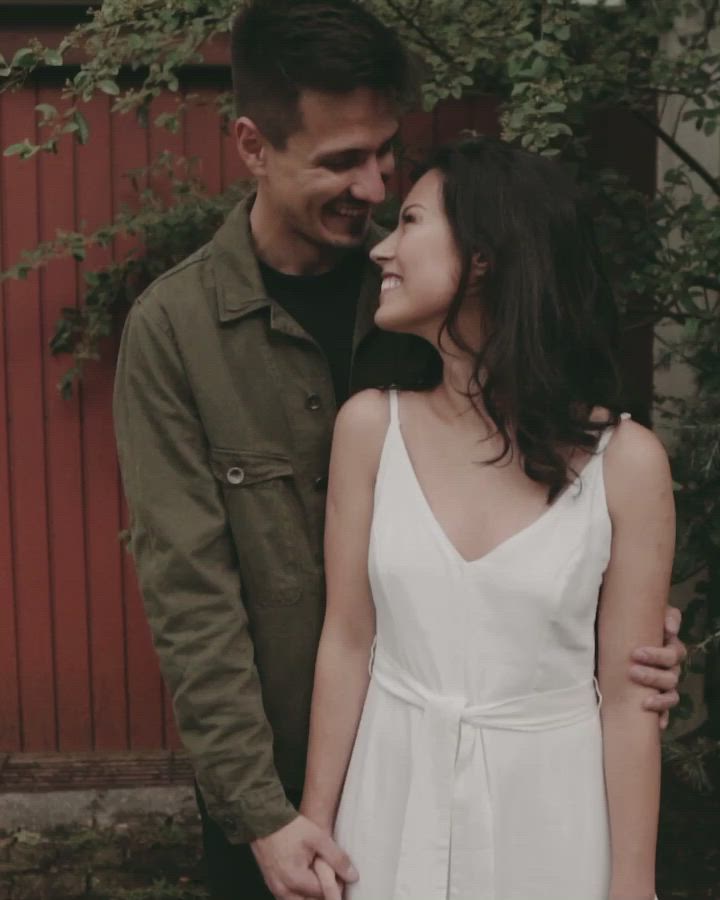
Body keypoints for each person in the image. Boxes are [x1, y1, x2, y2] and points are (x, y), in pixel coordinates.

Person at [113, 2, 685, 898]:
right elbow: (191, 596)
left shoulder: (420, 303)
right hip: (286, 783)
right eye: (343, 162)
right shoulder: (177, 333)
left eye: (386, 155)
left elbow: (560, 499)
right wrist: (267, 814)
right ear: (255, 147)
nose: (376, 192)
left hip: (525, 787)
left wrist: (611, 634)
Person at [301, 137, 675, 900]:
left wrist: (633, 886)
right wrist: (316, 823)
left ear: (483, 258)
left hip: (554, 824)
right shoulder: (369, 429)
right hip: (388, 806)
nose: (383, 250)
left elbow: (631, 698)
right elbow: (346, 640)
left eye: (409, 221)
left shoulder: (627, 464)